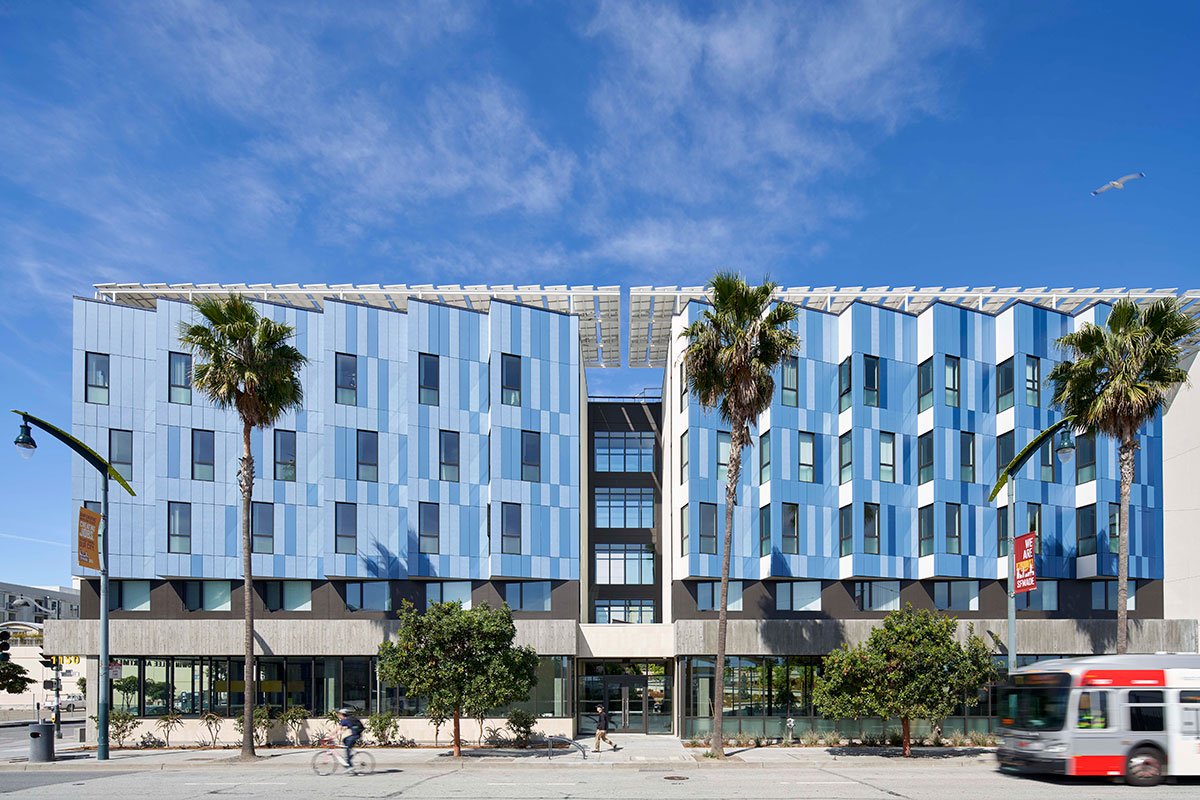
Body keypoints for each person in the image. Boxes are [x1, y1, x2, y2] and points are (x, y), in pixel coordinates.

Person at [334, 707, 365, 771]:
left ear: (343, 714)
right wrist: (334, 735)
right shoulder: (347, 720)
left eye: (339, 714)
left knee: (348, 747)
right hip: (355, 735)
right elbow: (342, 729)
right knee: (345, 740)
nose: (338, 716)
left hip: (356, 735)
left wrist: (331, 737)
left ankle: (350, 766)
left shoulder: (346, 720)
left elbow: (338, 729)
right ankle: (350, 754)